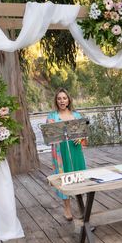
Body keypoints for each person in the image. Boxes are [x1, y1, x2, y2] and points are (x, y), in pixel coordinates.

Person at [47, 88, 87, 221]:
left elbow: (84, 134)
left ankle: (82, 207)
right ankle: (67, 209)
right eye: (59, 99)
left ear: (69, 100)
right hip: (61, 151)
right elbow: (49, 136)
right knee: (65, 178)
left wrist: (80, 137)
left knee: (79, 176)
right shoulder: (52, 117)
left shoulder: (76, 115)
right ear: (56, 101)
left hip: (75, 150)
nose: (62, 101)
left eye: (64, 98)